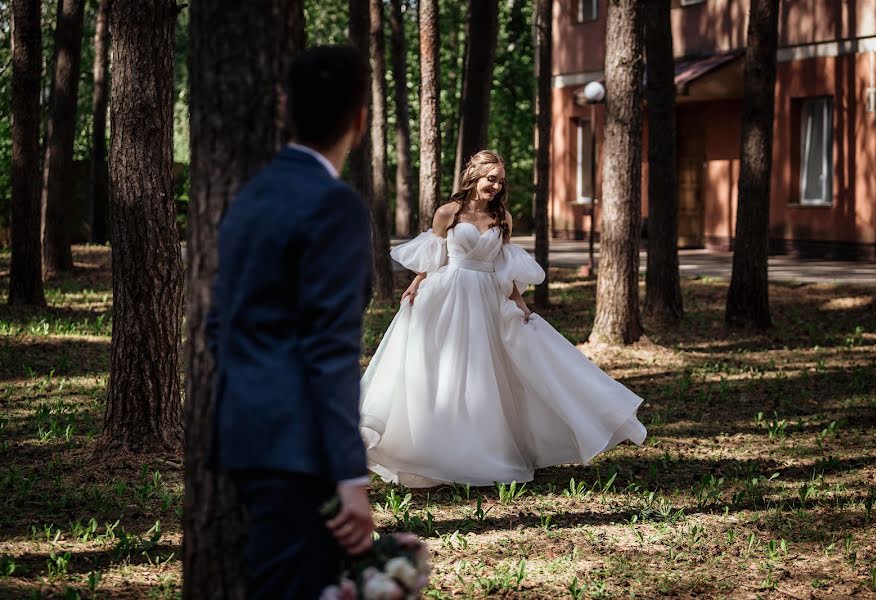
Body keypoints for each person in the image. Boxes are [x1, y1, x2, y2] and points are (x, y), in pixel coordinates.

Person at [360, 150, 647, 488]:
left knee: (486, 374)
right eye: (490, 178)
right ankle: (435, 451)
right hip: (449, 295)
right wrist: (415, 284)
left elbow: (505, 269)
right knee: (444, 371)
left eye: (500, 181)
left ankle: (484, 451)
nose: (495, 186)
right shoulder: (448, 213)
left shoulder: (503, 219)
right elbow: (432, 259)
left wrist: (520, 305)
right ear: (474, 176)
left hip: (486, 300)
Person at [207, 46, 375, 599]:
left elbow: (218, 324)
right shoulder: (335, 205)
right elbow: (330, 351)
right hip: (300, 447)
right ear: (360, 118)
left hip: (244, 437)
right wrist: (351, 477)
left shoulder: (249, 197)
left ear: (285, 107)